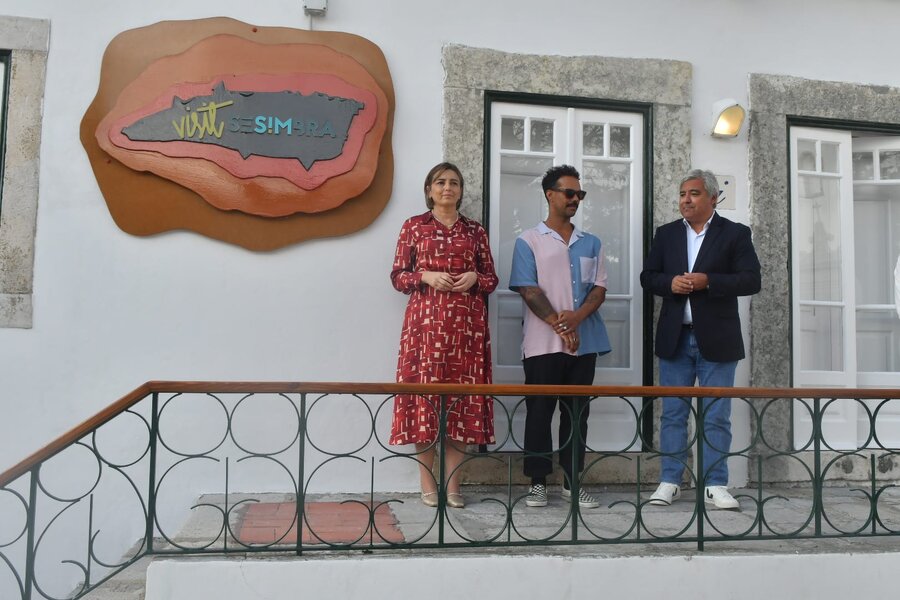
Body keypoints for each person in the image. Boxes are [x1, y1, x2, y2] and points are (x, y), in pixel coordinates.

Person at [640, 169, 761, 510]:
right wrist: (669, 284)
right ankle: (670, 481)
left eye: (693, 193)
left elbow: (751, 280)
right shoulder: (666, 234)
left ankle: (715, 483)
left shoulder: (735, 233)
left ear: (713, 198)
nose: (686, 200)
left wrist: (710, 281)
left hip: (718, 339)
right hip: (675, 338)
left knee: (716, 415)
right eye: (682, 194)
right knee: (673, 413)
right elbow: (648, 277)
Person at [389, 162, 499, 509]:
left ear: (461, 190)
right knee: (425, 403)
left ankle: (453, 486)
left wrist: (475, 278)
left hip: (467, 331)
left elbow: (491, 278)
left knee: (460, 404)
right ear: (429, 190)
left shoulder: (475, 231)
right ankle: (427, 484)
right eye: (440, 182)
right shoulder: (414, 227)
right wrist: (424, 276)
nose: (447, 188)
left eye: (454, 183)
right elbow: (397, 276)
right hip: (424, 330)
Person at [509, 164, 611, 509]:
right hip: (542, 344)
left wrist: (577, 319)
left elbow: (598, 289)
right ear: (550, 194)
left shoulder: (592, 243)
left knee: (577, 414)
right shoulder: (528, 240)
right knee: (539, 412)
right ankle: (537, 483)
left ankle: (572, 482)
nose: (575, 199)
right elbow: (528, 289)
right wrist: (561, 326)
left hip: (585, 343)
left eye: (580, 194)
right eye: (569, 192)